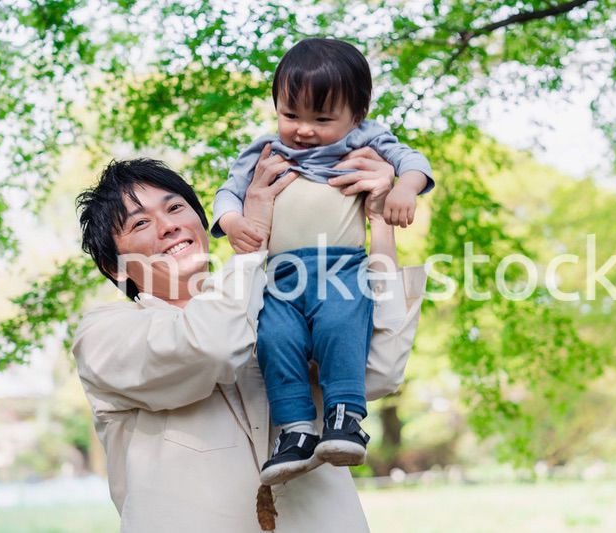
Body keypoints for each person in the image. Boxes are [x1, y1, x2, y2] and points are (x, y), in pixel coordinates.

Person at [72, 152, 426, 532]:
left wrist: (379, 222)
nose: (168, 226)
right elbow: (212, 347)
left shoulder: (273, 304)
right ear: (114, 265)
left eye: (175, 207)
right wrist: (252, 242)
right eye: (140, 223)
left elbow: (378, 372)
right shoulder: (104, 334)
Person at [212, 38, 434, 484]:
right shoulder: (264, 152)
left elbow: (412, 162)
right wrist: (233, 222)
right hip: (281, 275)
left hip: (342, 269)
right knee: (276, 340)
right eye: (290, 115)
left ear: (357, 114)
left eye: (322, 118)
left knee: (340, 327)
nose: (304, 130)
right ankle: (294, 431)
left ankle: (345, 418)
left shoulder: (365, 141)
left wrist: (405, 189)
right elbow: (228, 193)